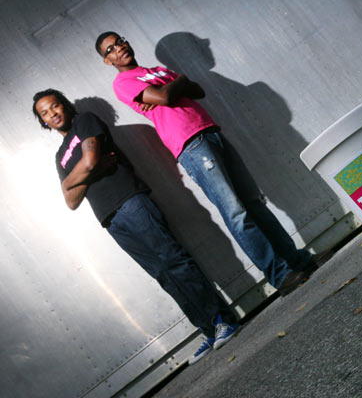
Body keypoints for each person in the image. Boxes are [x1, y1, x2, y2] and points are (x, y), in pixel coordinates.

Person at [95, 32, 328, 296]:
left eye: (120, 41)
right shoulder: (123, 82)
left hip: (210, 131)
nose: (119, 48)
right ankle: (279, 275)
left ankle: (297, 261)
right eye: (110, 49)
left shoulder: (155, 70)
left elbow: (198, 91)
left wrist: (174, 85)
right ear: (107, 60)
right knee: (236, 211)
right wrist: (177, 80)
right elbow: (165, 98)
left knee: (253, 201)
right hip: (190, 144)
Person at [33, 89, 239, 365]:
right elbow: (70, 200)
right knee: (162, 274)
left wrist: (76, 177)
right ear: (43, 122)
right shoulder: (60, 156)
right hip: (110, 218)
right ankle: (208, 331)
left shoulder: (85, 122)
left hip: (130, 200)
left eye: (55, 106)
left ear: (65, 106)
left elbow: (91, 160)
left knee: (173, 260)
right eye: (45, 113)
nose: (52, 114)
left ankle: (222, 320)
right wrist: (77, 178)